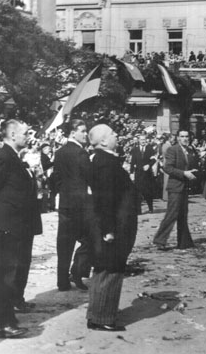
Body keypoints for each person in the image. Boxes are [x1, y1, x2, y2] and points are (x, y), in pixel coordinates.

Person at [0, 119, 42, 339]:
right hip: (6, 226)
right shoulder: (4, 158)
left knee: (5, 274)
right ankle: (3, 323)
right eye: (26, 132)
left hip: (14, 225)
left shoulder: (14, 157)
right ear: (13, 134)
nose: (29, 136)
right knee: (5, 276)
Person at [86, 124, 138, 331]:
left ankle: (96, 315)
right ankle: (104, 318)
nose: (117, 135)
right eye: (113, 133)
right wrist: (108, 229)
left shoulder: (103, 160)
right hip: (114, 226)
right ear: (104, 141)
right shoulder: (107, 163)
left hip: (110, 225)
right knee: (111, 270)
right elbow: (105, 200)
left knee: (102, 269)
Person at [55, 119, 92, 291]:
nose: (86, 134)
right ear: (73, 133)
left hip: (65, 203)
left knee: (64, 243)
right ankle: (76, 272)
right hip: (80, 205)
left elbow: (55, 178)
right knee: (89, 240)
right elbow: (91, 177)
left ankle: (62, 281)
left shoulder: (60, 152)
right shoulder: (81, 153)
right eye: (83, 131)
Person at [153, 130, 197, 250]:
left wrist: (193, 172)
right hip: (175, 187)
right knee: (172, 214)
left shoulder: (189, 150)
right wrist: (184, 173)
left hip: (185, 187)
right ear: (178, 138)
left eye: (187, 136)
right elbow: (168, 168)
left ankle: (184, 242)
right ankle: (159, 240)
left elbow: (191, 165)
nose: (185, 139)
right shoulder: (173, 150)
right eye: (182, 136)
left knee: (183, 215)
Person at [130, 134, 156, 214]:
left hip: (147, 174)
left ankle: (150, 208)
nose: (143, 141)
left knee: (148, 191)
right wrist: (131, 172)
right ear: (139, 140)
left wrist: (149, 165)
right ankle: (138, 210)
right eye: (141, 139)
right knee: (138, 192)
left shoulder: (150, 149)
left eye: (144, 139)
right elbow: (132, 161)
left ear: (146, 140)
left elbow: (154, 160)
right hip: (138, 173)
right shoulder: (135, 149)